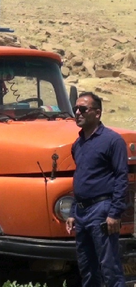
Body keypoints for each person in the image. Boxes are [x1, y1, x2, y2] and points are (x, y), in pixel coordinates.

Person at [65, 92, 128, 287]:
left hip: (102, 210)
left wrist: (115, 213)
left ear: (97, 113)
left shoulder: (112, 141)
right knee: (87, 268)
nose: (77, 112)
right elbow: (81, 178)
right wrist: (73, 211)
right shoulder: (78, 144)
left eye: (83, 109)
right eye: (76, 109)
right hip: (82, 213)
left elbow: (121, 177)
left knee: (109, 267)